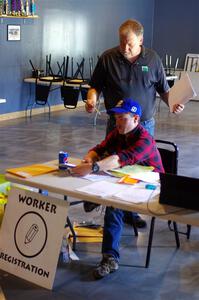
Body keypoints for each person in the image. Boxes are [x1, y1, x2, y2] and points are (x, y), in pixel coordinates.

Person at [85, 18, 184, 227]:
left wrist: (173, 103)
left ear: (141, 40)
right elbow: (95, 86)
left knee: (137, 168)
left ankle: (133, 212)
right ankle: (113, 206)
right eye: (121, 42)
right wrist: (92, 98)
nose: (125, 48)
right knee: (115, 166)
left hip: (144, 124)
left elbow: (164, 90)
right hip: (117, 123)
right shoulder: (108, 58)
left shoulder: (153, 60)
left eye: (129, 43)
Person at [72, 99, 164, 279]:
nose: (117, 122)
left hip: (152, 186)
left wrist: (93, 167)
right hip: (128, 179)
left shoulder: (145, 139)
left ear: (136, 118)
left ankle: (110, 258)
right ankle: (100, 201)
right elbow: (99, 148)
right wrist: (89, 159)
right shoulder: (118, 133)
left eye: (122, 118)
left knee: (113, 206)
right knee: (103, 184)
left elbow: (119, 159)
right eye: (116, 117)